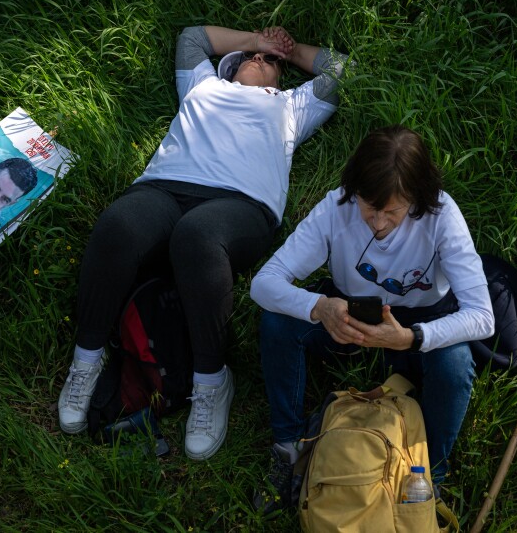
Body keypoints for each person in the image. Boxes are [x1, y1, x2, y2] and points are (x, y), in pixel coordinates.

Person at [57, 24, 348, 463]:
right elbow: (192, 38)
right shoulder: (203, 85)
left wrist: (287, 49)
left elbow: (342, 69)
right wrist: (256, 40)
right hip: (163, 189)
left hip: (239, 205)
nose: (258, 61)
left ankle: (211, 381)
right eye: (250, 57)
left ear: (282, 77)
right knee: (118, 225)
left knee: (196, 238)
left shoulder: (291, 105)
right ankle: (87, 358)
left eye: (270, 63)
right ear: (230, 68)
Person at [249, 125, 494, 511]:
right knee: (278, 323)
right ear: (354, 191)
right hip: (350, 314)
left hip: (419, 320)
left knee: (454, 362)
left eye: (392, 211)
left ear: (417, 197)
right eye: (369, 208)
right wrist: (320, 307)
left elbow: (482, 317)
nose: (378, 223)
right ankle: (288, 451)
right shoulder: (336, 207)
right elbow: (263, 284)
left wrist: (413, 337)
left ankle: (430, 474)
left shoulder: (441, 216)